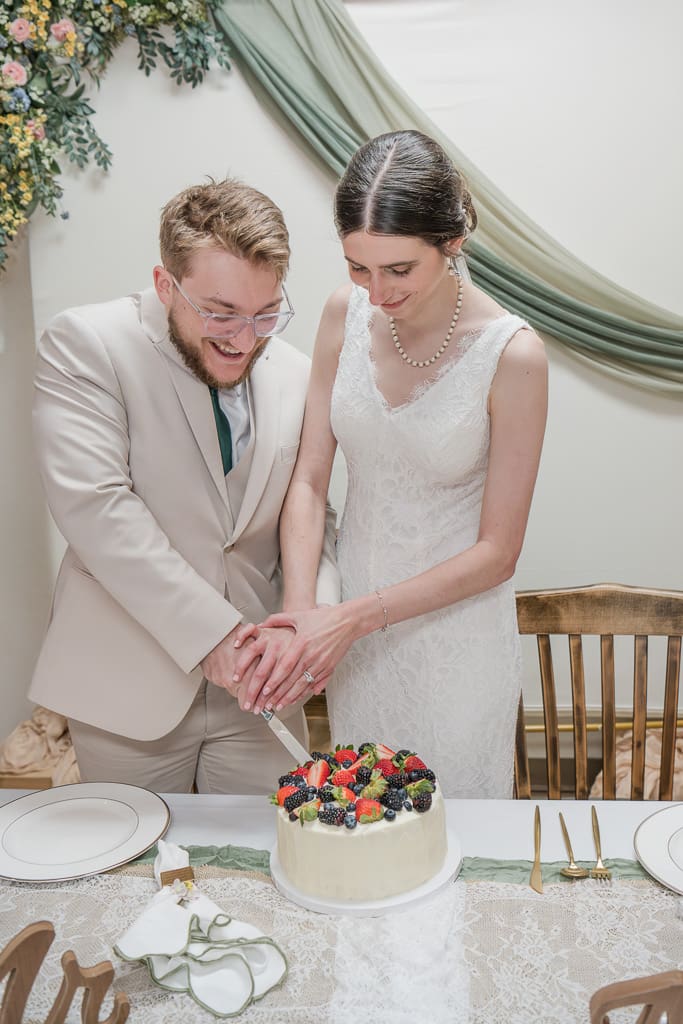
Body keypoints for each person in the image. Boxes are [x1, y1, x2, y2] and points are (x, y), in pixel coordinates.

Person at [231, 130, 548, 798]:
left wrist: (348, 619)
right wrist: (300, 614)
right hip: (356, 645)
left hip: (455, 642)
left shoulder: (512, 354)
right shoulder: (342, 313)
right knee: (366, 825)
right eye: (357, 266)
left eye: (398, 269)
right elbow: (310, 478)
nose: (376, 291)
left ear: (452, 241)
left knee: (450, 831)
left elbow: (497, 552)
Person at [29, 179, 339, 794]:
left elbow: (312, 514)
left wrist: (312, 621)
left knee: (266, 867)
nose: (244, 338)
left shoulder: (299, 372)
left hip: (258, 693)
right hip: (127, 686)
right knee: (133, 869)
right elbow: (97, 508)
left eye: (265, 313)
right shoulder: (88, 344)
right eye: (220, 313)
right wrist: (212, 634)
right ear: (166, 284)